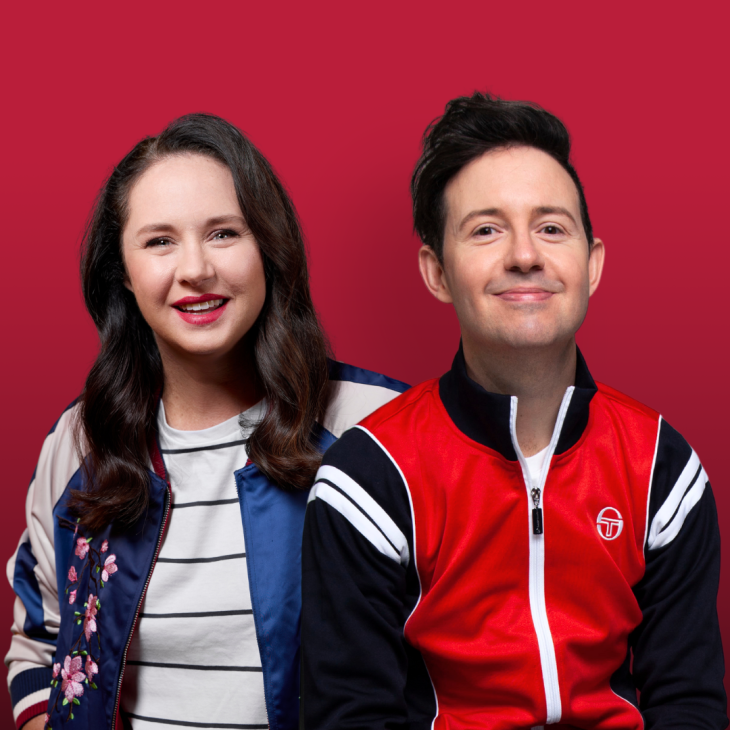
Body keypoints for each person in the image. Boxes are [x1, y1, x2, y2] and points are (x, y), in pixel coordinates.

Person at [301, 92, 728, 729]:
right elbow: (349, 715)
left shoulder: (664, 468)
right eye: (486, 229)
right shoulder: (369, 480)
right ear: (437, 272)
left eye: (552, 228)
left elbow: (689, 703)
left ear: (592, 264)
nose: (524, 255)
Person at [5, 114, 408, 730]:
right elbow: (40, 642)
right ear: (125, 275)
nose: (195, 269)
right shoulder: (82, 440)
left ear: (269, 249)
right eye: (159, 241)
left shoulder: (379, 428)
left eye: (223, 233)